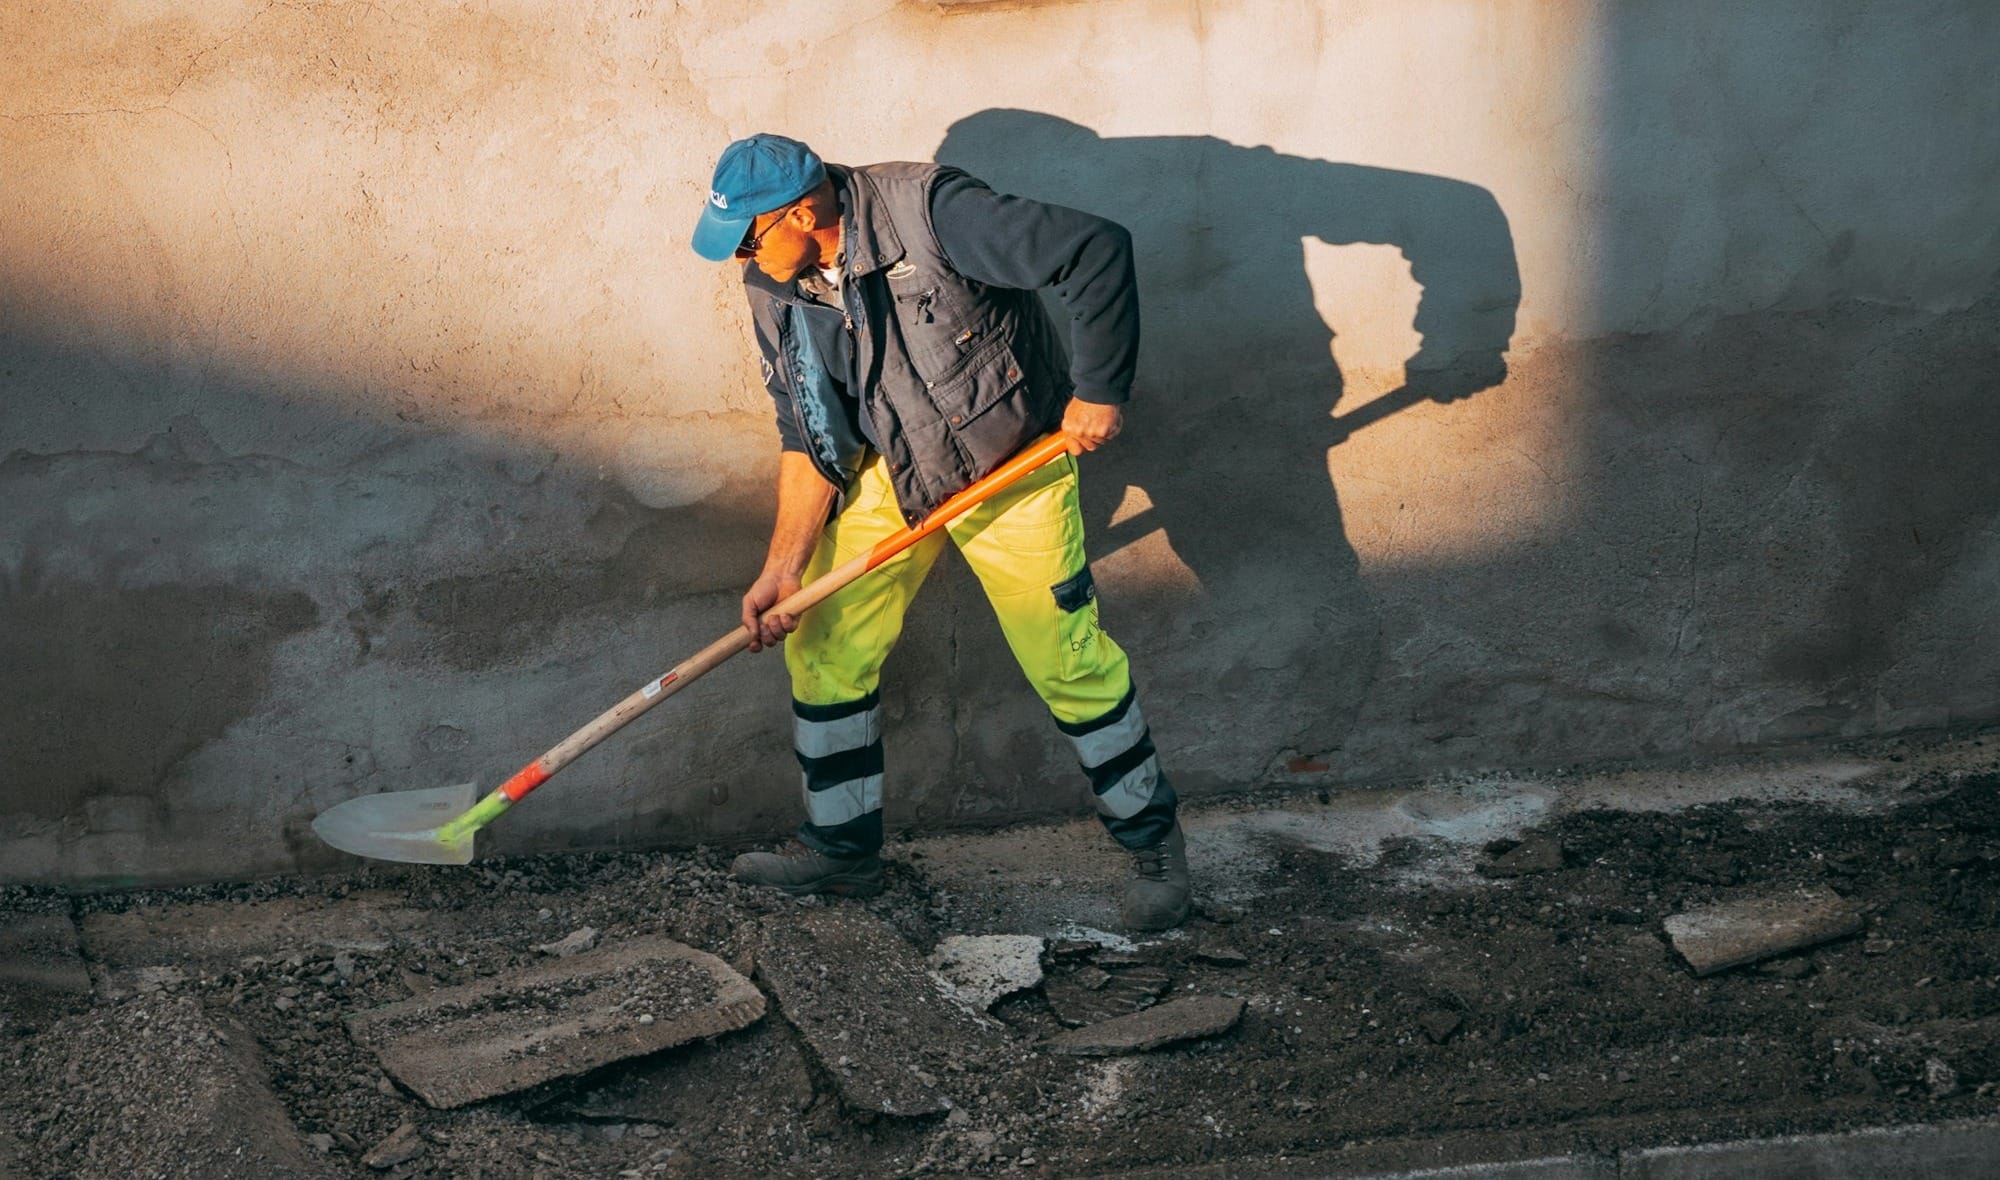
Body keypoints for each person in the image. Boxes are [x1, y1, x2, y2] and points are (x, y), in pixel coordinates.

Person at [690, 134, 1189, 930]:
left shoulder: (932, 214)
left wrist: (1099, 388)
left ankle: (1154, 845)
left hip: (1009, 464)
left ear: (802, 214)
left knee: (1064, 656)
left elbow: (1095, 249)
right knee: (822, 642)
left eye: (748, 239)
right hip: (895, 472)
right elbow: (807, 431)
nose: (740, 260)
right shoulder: (774, 287)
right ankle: (843, 852)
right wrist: (784, 567)